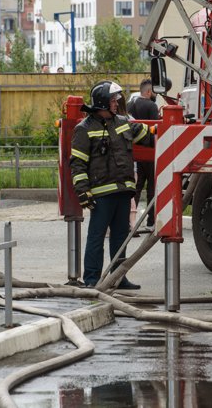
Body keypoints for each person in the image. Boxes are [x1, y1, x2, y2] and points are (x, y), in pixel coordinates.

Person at [70, 80, 153, 289]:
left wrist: (165, 129)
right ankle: (92, 280)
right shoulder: (84, 129)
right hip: (101, 193)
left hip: (124, 191)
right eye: (113, 99)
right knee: (96, 237)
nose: (117, 102)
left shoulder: (123, 122)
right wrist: (83, 192)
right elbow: (78, 163)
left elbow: (148, 134)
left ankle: (118, 278)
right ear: (102, 102)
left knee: (120, 238)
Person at [126, 79, 160, 231]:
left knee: (136, 187)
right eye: (153, 91)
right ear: (148, 92)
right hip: (150, 152)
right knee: (152, 187)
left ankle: (129, 220)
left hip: (134, 152)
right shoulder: (151, 106)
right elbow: (156, 129)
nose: (155, 94)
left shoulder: (129, 106)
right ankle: (151, 221)